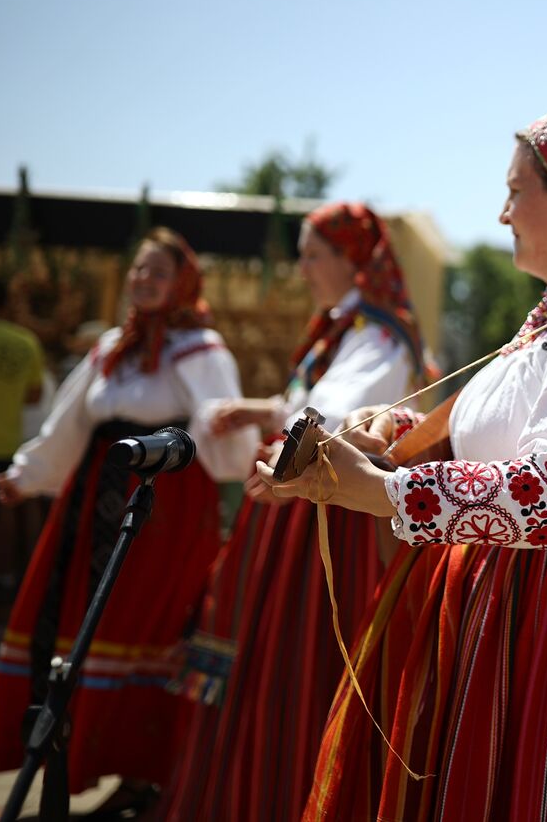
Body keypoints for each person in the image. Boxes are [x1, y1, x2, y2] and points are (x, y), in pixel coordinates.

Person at [261, 108, 547, 821]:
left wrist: (386, 490)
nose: (501, 213)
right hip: (510, 602)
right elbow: (481, 429)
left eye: (516, 190)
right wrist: (388, 432)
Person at [162, 201, 430, 822]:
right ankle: (248, 792)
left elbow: (337, 416)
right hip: (297, 506)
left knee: (300, 664)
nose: (302, 268)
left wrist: (267, 413)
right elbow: (310, 405)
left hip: (328, 521)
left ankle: (287, 796)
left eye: (314, 255)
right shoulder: (342, 332)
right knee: (261, 657)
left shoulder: (380, 337)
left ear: (352, 261)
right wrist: (266, 410)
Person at [0, 228, 257, 817]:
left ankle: (141, 774)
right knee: (79, 620)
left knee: (148, 625)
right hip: (93, 499)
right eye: (138, 270)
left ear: (182, 284)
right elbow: (69, 421)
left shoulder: (200, 349)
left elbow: (221, 427)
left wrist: (233, 452)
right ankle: (67, 760)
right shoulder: (112, 346)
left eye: (158, 272)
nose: (144, 281)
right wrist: (27, 473)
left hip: (166, 506)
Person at [0, 277, 45, 598]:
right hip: (5, 441)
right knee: (2, 510)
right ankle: (2, 576)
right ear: (5, 305)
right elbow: (34, 395)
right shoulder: (26, 342)